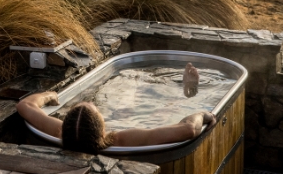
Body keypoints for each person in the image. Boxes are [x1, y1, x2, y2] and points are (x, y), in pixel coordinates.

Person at [16, 63, 215, 154]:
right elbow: (189, 129)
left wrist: (49, 95)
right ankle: (189, 89)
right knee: (161, 112)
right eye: (95, 109)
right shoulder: (119, 139)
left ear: (64, 126)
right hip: (145, 122)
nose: (94, 104)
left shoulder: (61, 132)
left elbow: (25, 104)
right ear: (102, 130)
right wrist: (201, 114)